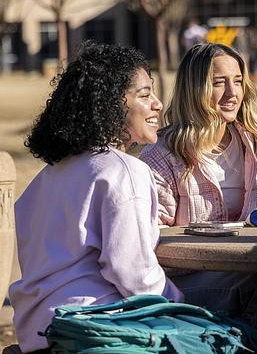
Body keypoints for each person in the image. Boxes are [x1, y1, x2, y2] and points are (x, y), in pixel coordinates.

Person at [9, 41, 183, 353]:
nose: (158, 104)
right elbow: (135, 274)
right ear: (114, 104)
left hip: (36, 332)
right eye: (145, 95)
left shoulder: (46, 177)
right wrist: (183, 305)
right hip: (97, 329)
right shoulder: (123, 171)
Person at [139, 42, 257, 322]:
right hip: (183, 283)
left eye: (237, 81)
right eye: (218, 83)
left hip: (251, 266)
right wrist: (224, 254)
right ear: (195, 89)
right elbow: (150, 241)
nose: (232, 93)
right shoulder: (162, 155)